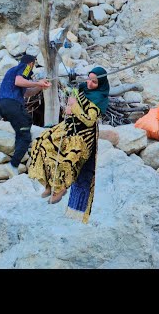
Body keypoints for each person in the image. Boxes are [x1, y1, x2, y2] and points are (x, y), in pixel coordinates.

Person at [28, 67, 110, 224]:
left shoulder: (100, 97)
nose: (90, 84)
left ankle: (60, 188)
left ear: (101, 83)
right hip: (70, 127)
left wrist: (75, 107)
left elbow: (89, 120)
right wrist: (69, 98)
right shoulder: (82, 88)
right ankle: (48, 184)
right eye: (89, 79)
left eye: (95, 82)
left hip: (84, 136)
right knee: (42, 143)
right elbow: (69, 94)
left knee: (67, 158)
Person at [0, 54, 51, 175]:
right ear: (31, 63)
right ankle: (13, 165)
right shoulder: (25, 67)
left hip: (2, 105)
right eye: (33, 65)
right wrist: (37, 82)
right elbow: (19, 81)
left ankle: (15, 155)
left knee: (24, 125)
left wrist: (40, 86)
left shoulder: (13, 71)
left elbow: (26, 93)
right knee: (26, 135)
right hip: (12, 104)